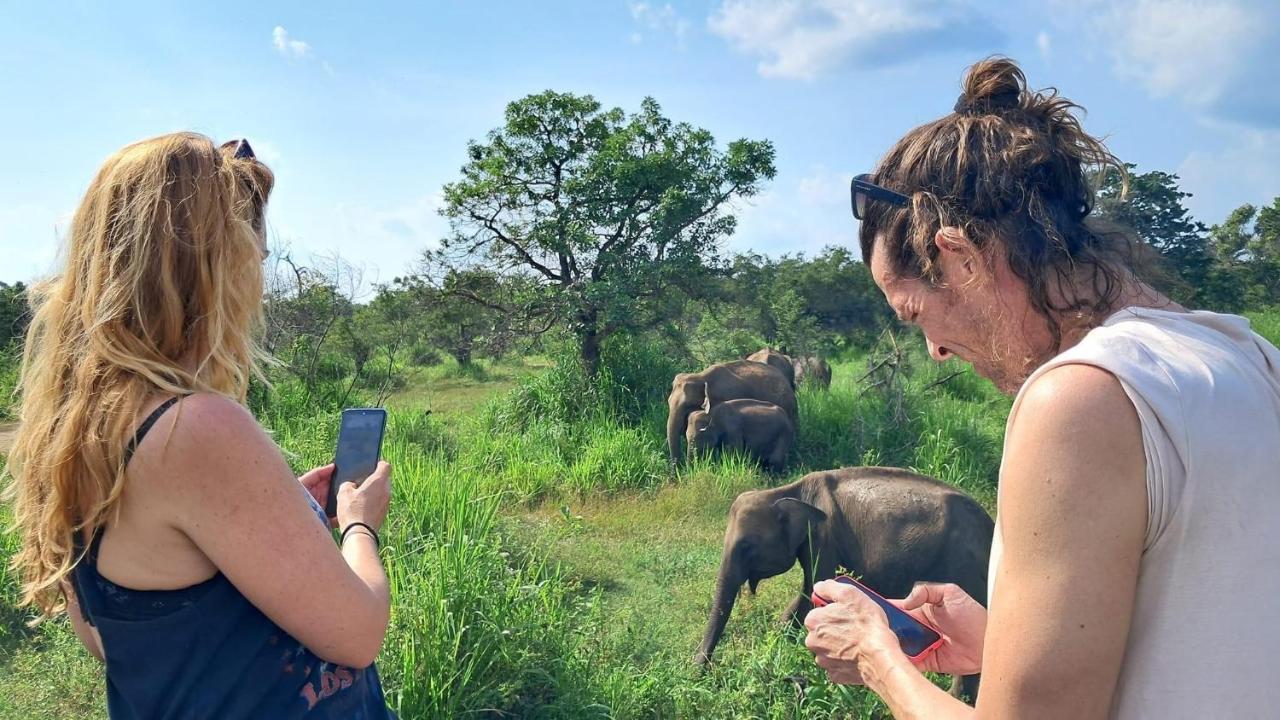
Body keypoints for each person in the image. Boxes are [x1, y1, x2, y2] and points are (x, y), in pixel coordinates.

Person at [804, 57, 1280, 718]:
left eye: (914, 314)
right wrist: (1006, 648)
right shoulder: (1245, 354)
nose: (935, 351)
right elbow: (1206, 633)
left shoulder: (1080, 399)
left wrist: (876, 656)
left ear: (958, 258)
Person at [5, 133, 397, 719]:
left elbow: (112, 638)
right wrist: (358, 526)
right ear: (210, 267)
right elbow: (359, 634)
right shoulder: (196, 425)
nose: (259, 271)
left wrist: (287, 512)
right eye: (249, 249)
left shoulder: (75, 426)